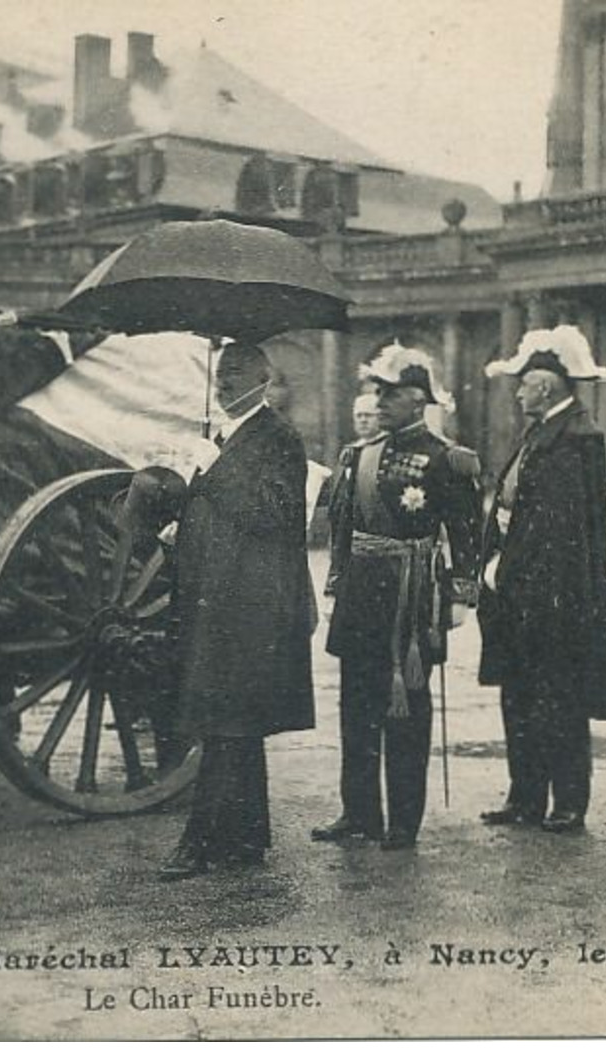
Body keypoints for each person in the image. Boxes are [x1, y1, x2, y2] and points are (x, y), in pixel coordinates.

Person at [158, 342, 315, 880]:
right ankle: (246, 838)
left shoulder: (279, 439)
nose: (223, 385)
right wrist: (183, 525)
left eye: (235, 375)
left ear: (262, 380)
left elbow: (276, 516)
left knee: (225, 721)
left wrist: (215, 473)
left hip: (251, 605)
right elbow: (220, 513)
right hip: (217, 596)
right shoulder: (225, 438)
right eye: (220, 374)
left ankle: (199, 843)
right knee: (233, 724)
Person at [315, 344, 480, 852]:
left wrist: (459, 595)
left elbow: (468, 532)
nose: (380, 401)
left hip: (411, 597)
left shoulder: (446, 459)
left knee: (405, 710)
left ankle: (403, 821)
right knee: (355, 706)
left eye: (392, 394)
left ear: (419, 400)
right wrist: (336, 583)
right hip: (362, 593)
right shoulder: (357, 457)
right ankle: (359, 813)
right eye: (377, 391)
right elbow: (343, 529)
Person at [476, 325, 606, 834]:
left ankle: (567, 801)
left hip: (553, 599)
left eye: (524, 384)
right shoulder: (540, 434)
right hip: (521, 594)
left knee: (559, 701)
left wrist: (507, 569)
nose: (517, 393)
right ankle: (525, 797)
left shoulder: (576, 438)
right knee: (520, 698)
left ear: (547, 387)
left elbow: (558, 533)